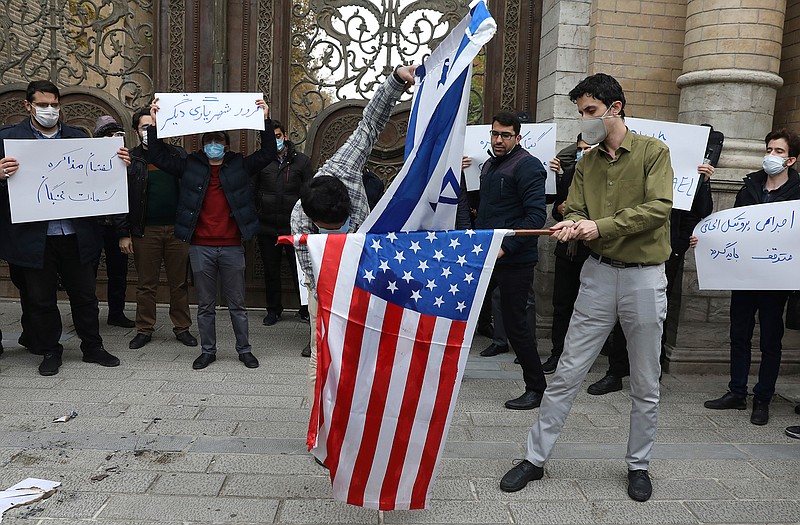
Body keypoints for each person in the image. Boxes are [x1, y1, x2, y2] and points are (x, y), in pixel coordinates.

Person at [500, 73, 673, 502]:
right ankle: (534, 459)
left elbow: (658, 208)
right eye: (581, 112)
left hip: (644, 276)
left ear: (615, 108)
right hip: (597, 274)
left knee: (646, 381)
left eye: (591, 111)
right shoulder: (587, 162)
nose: (585, 120)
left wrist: (599, 225)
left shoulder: (654, 152)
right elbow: (573, 206)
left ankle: (638, 465)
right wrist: (570, 223)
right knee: (567, 372)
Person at [291, 64, 417, 400]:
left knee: (370, 350)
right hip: (326, 285)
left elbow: (369, 123)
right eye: (331, 230)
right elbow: (313, 274)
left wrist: (395, 81)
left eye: (343, 224)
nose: (341, 230)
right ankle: (322, 420)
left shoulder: (344, 168)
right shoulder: (300, 222)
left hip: (369, 274)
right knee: (324, 354)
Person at [0, 80, 129, 376]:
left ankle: (92, 346)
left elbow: (100, 177)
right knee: (41, 299)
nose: (49, 110)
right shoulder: (9, 139)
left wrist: (120, 163)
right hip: (34, 238)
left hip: (76, 234)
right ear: (28, 106)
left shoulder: (78, 137)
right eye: (42, 105)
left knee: (85, 296)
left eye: (54, 105)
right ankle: (49, 350)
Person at [146, 97, 276, 370]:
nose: (213, 146)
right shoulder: (190, 165)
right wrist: (155, 125)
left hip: (231, 246)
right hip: (200, 246)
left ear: (226, 146)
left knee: (237, 304)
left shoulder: (238, 165)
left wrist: (264, 120)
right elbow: (157, 156)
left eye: (218, 141)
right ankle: (208, 351)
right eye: (208, 141)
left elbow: (267, 155)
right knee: (205, 305)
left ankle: (244, 350)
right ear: (202, 145)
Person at [587, 161, 715, 395]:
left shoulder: (689, 175)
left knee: (656, 315)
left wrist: (704, 183)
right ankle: (616, 372)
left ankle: (648, 379)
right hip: (633, 247)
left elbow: (700, 212)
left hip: (667, 253)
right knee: (622, 312)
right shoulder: (643, 167)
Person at [703, 129, 800, 425]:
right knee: (739, 335)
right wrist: (706, 239)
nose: (771, 155)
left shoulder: (797, 193)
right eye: (769, 149)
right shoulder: (749, 188)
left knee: (771, 339)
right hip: (744, 276)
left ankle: (763, 398)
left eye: (779, 152)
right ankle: (736, 392)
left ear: (791, 159)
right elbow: (732, 226)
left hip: (776, 280)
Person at [474, 111, 548, 410]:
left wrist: (506, 248)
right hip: (485, 252)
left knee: (516, 324)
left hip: (513, 259)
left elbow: (536, 217)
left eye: (505, 135)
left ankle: (536, 387)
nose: (499, 139)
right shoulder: (490, 164)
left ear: (518, 137)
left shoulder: (528, 166)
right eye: (495, 134)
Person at [116, 106, 197, 350]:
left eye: (154, 126)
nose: (150, 131)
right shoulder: (130, 158)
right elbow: (120, 197)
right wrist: (123, 233)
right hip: (145, 231)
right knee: (146, 284)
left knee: (179, 283)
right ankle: (144, 329)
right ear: (136, 131)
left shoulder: (178, 155)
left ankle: (182, 327)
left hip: (177, 230)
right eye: (144, 127)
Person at [253, 120, 313, 327]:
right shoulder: (261, 161)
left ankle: (305, 309)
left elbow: (308, 193)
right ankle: (273, 310)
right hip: (267, 226)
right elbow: (253, 190)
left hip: (294, 227)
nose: (276, 140)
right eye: (271, 137)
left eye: (278, 136)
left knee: (300, 270)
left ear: (285, 136)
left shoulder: (302, 162)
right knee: (271, 270)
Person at [92, 115, 135, 329]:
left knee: (118, 272)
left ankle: (116, 313)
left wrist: (124, 231)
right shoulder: (86, 160)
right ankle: (87, 314)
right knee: (87, 271)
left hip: (116, 228)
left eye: (117, 135)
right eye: (108, 135)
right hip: (91, 228)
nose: (113, 139)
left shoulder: (127, 161)